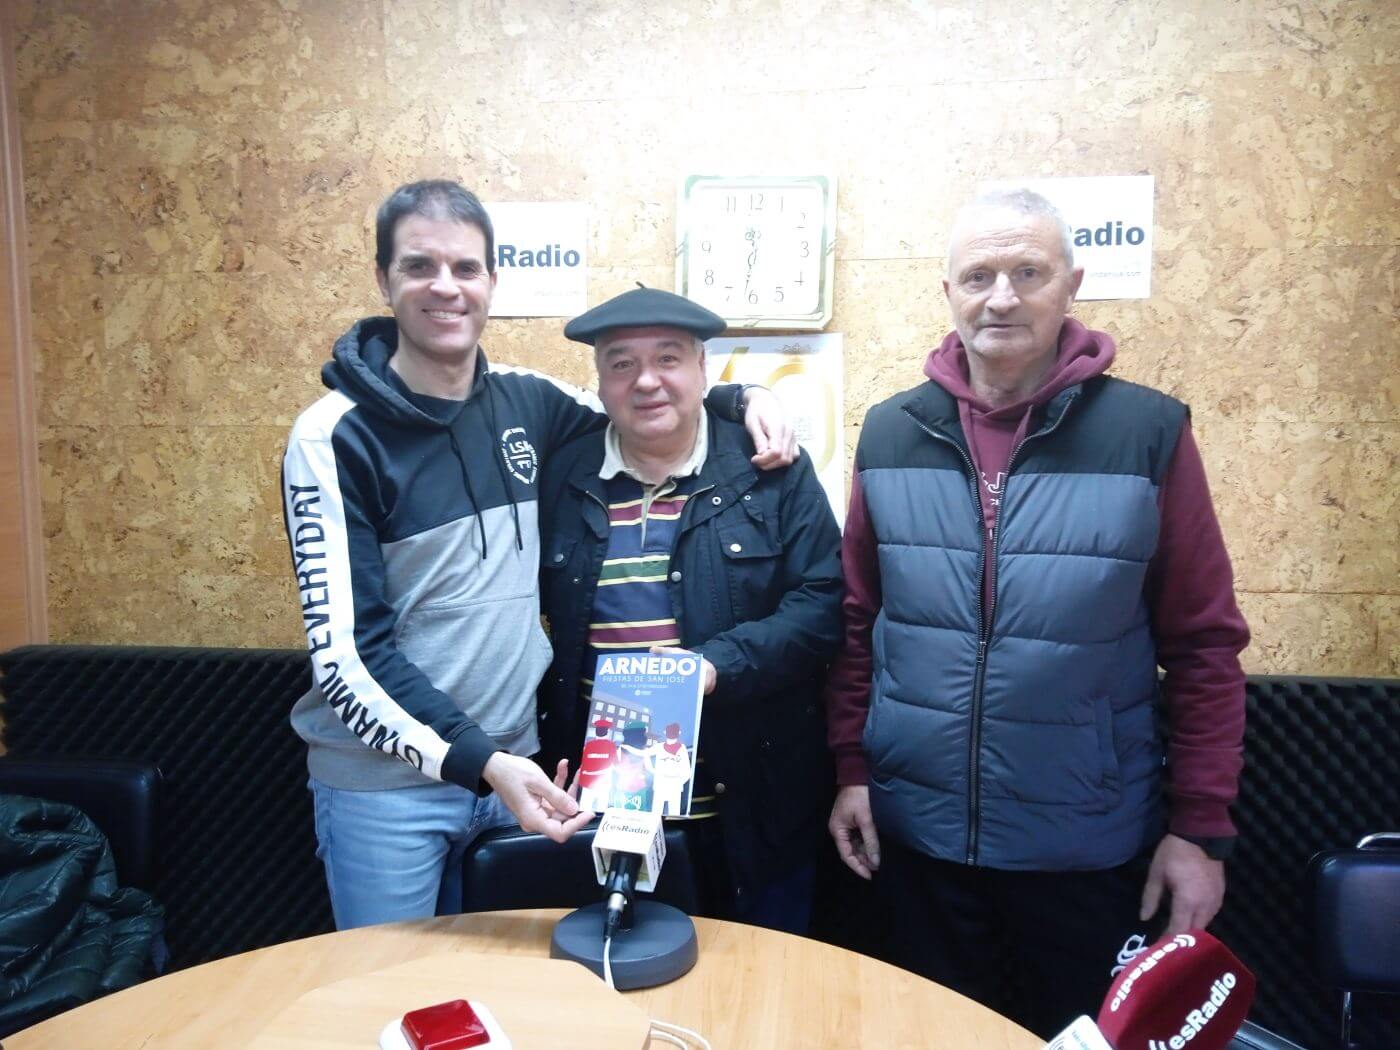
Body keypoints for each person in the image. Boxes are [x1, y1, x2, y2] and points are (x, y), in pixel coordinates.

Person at [281, 181, 795, 929]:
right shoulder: (334, 437)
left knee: (503, 1002)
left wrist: (745, 397)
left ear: (494, 280)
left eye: (466, 268)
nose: (445, 287)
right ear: (384, 280)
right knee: (389, 996)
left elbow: (644, 399)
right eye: (420, 266)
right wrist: (483, 761)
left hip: (514, 775)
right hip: (388, 792)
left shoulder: (529, 402)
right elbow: (346, 663)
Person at [825, 188, 1250, 1035]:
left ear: (1072, 284)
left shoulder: (1148, 433)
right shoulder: (890, 433)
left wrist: (1200, 833)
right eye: (978, 274)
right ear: (947, 291)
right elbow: (855, 625)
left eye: (1029, 272)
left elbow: (1204, 646)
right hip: (920, 846)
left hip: (1088, 850)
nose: (1002, 296)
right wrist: (851, 771)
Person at [537, 287, 843, 933]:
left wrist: (713, 666)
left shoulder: (772, 470)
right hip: (610, 816)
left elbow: (824, 608)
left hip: (755, 811)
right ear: (599, 381)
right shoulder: (561, 479)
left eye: (669, 358)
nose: (647, 380)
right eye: (621, 363)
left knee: (760, 1002)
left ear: (704, 368)